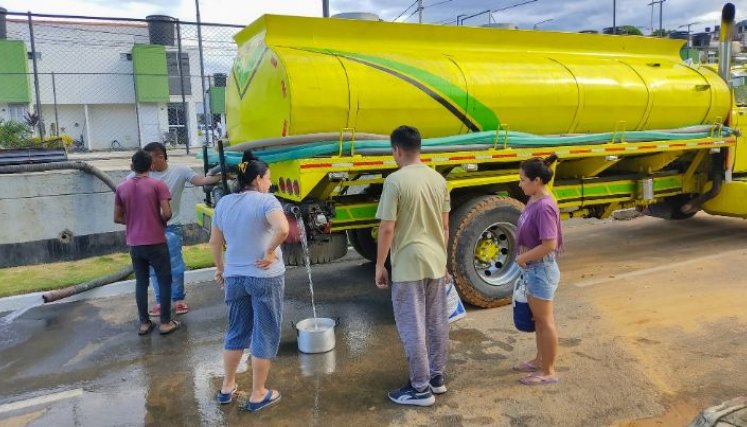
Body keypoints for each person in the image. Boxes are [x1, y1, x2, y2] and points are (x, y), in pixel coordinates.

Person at [375, 125, 451, 407]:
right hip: (435, 261)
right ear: (419, 148)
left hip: (408, 263)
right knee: (436, 321)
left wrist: (379, 265)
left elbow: (386, 229)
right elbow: (444, 227)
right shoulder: (438, 180)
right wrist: (443, 261)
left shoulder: (395, 181)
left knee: (413, 325)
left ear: (397, 150)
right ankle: (436, 378)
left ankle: (419, 390)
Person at [210, 158, 289, 412]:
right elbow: (283, 229)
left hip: (235, 277)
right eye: (268, 178)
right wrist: (269, 253)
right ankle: (258, 393)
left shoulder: (224, 203)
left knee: (236, 331)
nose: (270, 182)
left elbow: (214, 242)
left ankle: (227, 387)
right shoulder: (266, 201)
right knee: (264, 332)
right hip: (265, 277)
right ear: (257, 180)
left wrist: (221, 269)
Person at [131, 142, 221, 318]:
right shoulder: (140, 176)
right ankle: (160, 301)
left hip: (171, 226)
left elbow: (201, 180)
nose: (148, 164)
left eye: (151, 159)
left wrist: (224, 175)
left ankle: (178, 299)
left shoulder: (179, 170)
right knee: (154, 268)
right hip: (149, 229)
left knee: (175, 265)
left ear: (161, 156)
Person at [114, 150, 180, 335]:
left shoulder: (122, 188)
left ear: (131, 167)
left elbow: (117, 217)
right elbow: (167, 213)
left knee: (141, 283)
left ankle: (144, 323)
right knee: (164, 281)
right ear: (151, 166)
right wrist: (155, 220)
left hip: (135, 244)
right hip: (156, 242)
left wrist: (135, 221)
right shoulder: (158, 185)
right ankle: (165, 323)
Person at [513, 155, 563, 386]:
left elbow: (549, 244)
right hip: (533, 269)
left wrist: (523, 257)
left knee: (544, 321)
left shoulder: (544, 206)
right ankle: (539, 360)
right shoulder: (534, 198)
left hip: (540, 270)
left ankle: (548, 371)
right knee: (537, 320)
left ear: (536, 180)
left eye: (523, 179)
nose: (520, 183)